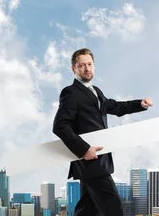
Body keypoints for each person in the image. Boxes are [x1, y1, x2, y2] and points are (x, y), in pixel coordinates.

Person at [52, 48, 153, 216]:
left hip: (98, 161)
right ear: (73, 69)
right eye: (81, 65)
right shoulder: (71, 93)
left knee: (88, 209)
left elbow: (116, 107)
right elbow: (60, 126)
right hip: (90, 161)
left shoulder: (96, 91)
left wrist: (140, 104)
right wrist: (84, 149)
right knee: (113, 206)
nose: (87, 68)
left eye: (89, 64)